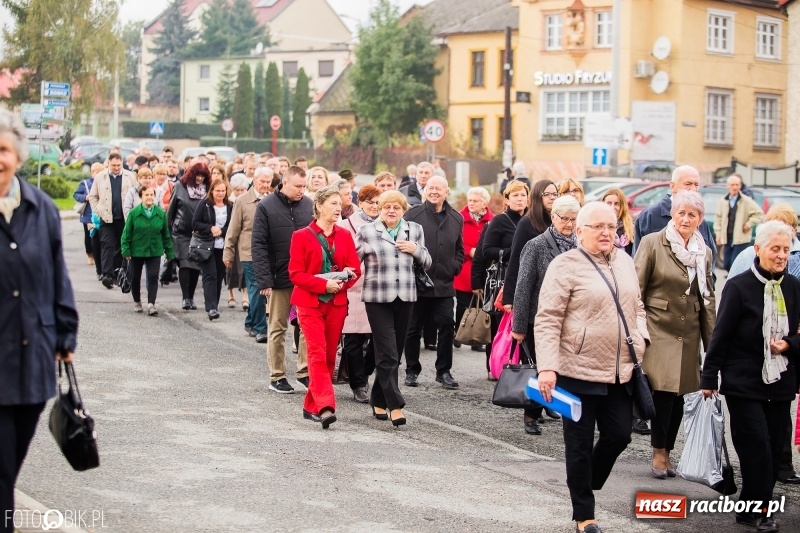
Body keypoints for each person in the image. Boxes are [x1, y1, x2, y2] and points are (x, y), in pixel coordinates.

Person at [535, 202, 649, 533]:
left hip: (620, 370)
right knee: (579, 446)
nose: (605, 232)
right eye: (598, 226)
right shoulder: (565, 265)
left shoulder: (625, 261)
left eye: (611, 227)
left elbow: (638, 306)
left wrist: (641, 337)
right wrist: (547, 367)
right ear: (580, 231)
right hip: (576, 371)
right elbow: (548, 319)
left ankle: (585, 480)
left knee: (619, 435)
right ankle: (584, 515)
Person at [0, 109, 79, 530]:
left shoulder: (42, 208)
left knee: (10, 465)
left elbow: (57, 277)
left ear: (18, 155)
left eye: (3, 150)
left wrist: (65, 334)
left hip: (33, 361)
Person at [701, 221, 800, 533]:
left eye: (786, 249)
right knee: (757, 448)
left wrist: (789, 344)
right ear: (758, 249)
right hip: (744, 381)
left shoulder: (793, 286)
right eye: (775, 249)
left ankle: (752, 510)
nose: (781, 255)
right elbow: (721, 335)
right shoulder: (738, 286)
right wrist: (709, 377)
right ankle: (758, 512)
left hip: (780, 381)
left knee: (773, 449)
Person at [634, 191, 716, 479]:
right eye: (681, 213)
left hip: (689, 331)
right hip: (658, 327)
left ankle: (668, 450)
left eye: (692, 215)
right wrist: (636, 330)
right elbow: (636, 289)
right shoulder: (653, 243)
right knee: (663, 392)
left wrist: (713, 346)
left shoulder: (704, 252)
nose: (685, 219)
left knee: (681, 394)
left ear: (700, 219)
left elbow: (707, 299)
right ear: (673, 214)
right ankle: (658, 451)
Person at [357, 190, 431, 425]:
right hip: (377, 298)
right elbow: (352, 261)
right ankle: (395, 405)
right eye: (387, 206)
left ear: (403, 210)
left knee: (395, 353)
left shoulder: (414, 230)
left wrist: (415, 249)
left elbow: (427, 261)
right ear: (380, 209)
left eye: (396, 207)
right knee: (387, 351)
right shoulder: (367, 231)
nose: (391, 211)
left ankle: (378, 400)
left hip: (406, 297)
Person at [288, 185, 360, 428]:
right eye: (333, 203)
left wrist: (341, 283)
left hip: (337, 303)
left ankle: (311, 406)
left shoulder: (345, 236)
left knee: (329, 356)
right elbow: (295, 274)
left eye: (340, 204)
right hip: (309, 304)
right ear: (318, 206)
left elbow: (355, 270)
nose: (339, 208)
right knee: (317, 353)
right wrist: (323, 286)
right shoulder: (301, 236)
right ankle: (326, 406)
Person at [512, 195, 580, 435]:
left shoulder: (580, 245)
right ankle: (531, 415)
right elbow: (523, 287)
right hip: (539, 319)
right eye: (565, 219)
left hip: (571, 320)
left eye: (574, 219)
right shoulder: (536, 245)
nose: (569, 224)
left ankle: (556, 407)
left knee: (565, 369)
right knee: (539, 368)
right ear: (553, 217)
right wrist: (519, 326)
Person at [253, 166, 314, 394]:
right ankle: (277, 376)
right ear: (284, 182)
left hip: (305, 278)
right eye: (298, 186)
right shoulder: (266, 205)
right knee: (278, 328)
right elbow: (258, 244)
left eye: (304, 186)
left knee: (307, 327)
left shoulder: (309, 205)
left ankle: (304, 372)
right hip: (279, 277)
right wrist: (265, 280)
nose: (302, 190)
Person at [403, 175, 464, 389]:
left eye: (439, 188)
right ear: (425, 191)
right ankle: (412, 370)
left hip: (444, 284)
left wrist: (454, 266)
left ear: (447, 192)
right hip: (418, 283)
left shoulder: (456, 218)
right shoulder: (412, 215)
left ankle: (444, 371)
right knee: (413, 328)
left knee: (447, 326)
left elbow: (459, 248)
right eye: (430, 188)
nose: (434, 192)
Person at [477, 179, 529, 379]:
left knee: (521, 325)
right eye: (515, 195)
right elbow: (487, 250)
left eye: (523, 195)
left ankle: (518, 365)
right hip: (503, 278)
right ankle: (494, 366)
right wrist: (513, 252)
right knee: (499, 325)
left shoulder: (531, 220)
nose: (520, 199)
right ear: (506, 200)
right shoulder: (499, 221)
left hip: (526, 277)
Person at [338, 185, 382, 403]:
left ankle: (365, 372)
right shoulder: (345, 225)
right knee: (353, 339)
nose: (374, 206)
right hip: (354, 287)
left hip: (379, 287)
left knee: (379, 338)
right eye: (370, 202)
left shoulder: (386, 224)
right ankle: (358, 384)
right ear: (360, 202)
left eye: (378, 202)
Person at [224, 168, 272, 343]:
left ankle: (250, 321)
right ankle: (260, 328)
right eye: (262, 181)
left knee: (261, 290)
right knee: (258, 288)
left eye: (268, 182)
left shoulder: (273, 200)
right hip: (248, 252)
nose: (265, 185)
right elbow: (233, 229)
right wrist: (228, 253)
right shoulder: (242, 201)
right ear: (254, 180)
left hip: (268, 253)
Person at [502, 179, 557, 312]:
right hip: (533, 289)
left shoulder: (559, 221)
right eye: (547, 194)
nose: (552, 197)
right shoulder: (526, 223)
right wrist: (509, 297)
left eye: (555, 194)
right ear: (537, 196)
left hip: (555, 287)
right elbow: (515, 259)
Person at [121, 185, 175, 316]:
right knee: (135, 277)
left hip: (154, 250)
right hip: (137, 250)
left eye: (152, 195)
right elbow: (126, 233)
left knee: (153, 276)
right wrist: (125, 250)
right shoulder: (134, 213)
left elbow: (166, 235)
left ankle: (151, 304)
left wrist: (169, 252)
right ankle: (137, 301)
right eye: (147, 195)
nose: (149, 197)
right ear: (141, 197)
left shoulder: (161, 213)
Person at [88, 151, 137, 288]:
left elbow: (137, 195)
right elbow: (93, 196)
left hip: (124, 218)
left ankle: (116, 273)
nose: (116, 168)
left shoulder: (130, 177)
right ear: (108, 164)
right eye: (113, 165)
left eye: (118, 165)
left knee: (121, 246)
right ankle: (107, 275)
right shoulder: (100, 177)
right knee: (107, 245)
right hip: (107, 217)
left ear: (122, 164)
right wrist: (99, 210)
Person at [168, 163, 211, 310]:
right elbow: (171, 210)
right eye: (197, 175)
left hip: (199, 233)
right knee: (185, 264)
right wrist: (167, 231)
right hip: (181, 232)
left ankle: (191, 297)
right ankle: (185, 298)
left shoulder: (207, 189)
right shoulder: (179, 186)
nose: (199, 178)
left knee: (195, 266)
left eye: (203, 176)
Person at [454, 187, 493, 349]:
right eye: (469, 200)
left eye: (475, 201)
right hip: (464, 269)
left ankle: (477, 338)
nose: (471, 203)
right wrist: (469, 250)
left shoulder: (493, 221)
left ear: (484, 203)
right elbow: (453, 242)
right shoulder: (459, 219)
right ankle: (458, 333)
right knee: (463, 305)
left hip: (483, 270)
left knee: (481, 305)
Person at [192, 178, 233, 320]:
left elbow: (233, 226)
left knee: (219, 276)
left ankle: (214, 304)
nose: (220, 193)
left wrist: (222, 231)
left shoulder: (230, 206)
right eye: (217, 191)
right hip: (206, 246)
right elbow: (195, 223)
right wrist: (210, 228)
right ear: (212, 191)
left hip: (223, 247)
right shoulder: (204, 204)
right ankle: (211, 308)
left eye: (223, 191)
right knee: (210, 275)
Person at [715, 173, 764, 271]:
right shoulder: (723, 201)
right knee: (726, 264)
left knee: (735, 263)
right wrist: (718, 234)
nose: (734, 187)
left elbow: (759, 213)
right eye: (732, 185)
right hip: (728, 238)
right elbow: (718, 218)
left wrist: (748, 224)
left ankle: (734, 279)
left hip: (741, 238)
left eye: (737, 185)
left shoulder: (746, 200)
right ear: (728, 186)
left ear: (740, 186)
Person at [73, 162, 104, 274]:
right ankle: (90, 254)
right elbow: (76, 195)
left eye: (101, 173)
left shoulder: (104, 183)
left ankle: (98, 255)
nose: (99, 175)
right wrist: (85, 197)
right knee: (88, 236)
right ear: (92, 173)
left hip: (99, 214)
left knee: (99, 235)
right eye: (97, 173)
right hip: (87, 214)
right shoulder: (85, 183)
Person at [602, 188, 634, 256]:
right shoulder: (597, 227)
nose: (612, 207)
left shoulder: (631, 229)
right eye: (609, 203)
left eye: (616, 204)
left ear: (622, 206)